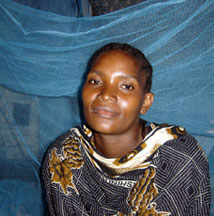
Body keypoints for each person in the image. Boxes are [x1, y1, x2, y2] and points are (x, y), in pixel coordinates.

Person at [42, 43, 211, 215]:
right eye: (95, 81)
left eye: (126, 86)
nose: (105, 94)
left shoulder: (180, 159)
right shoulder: (62, 154)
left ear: (145, 102)